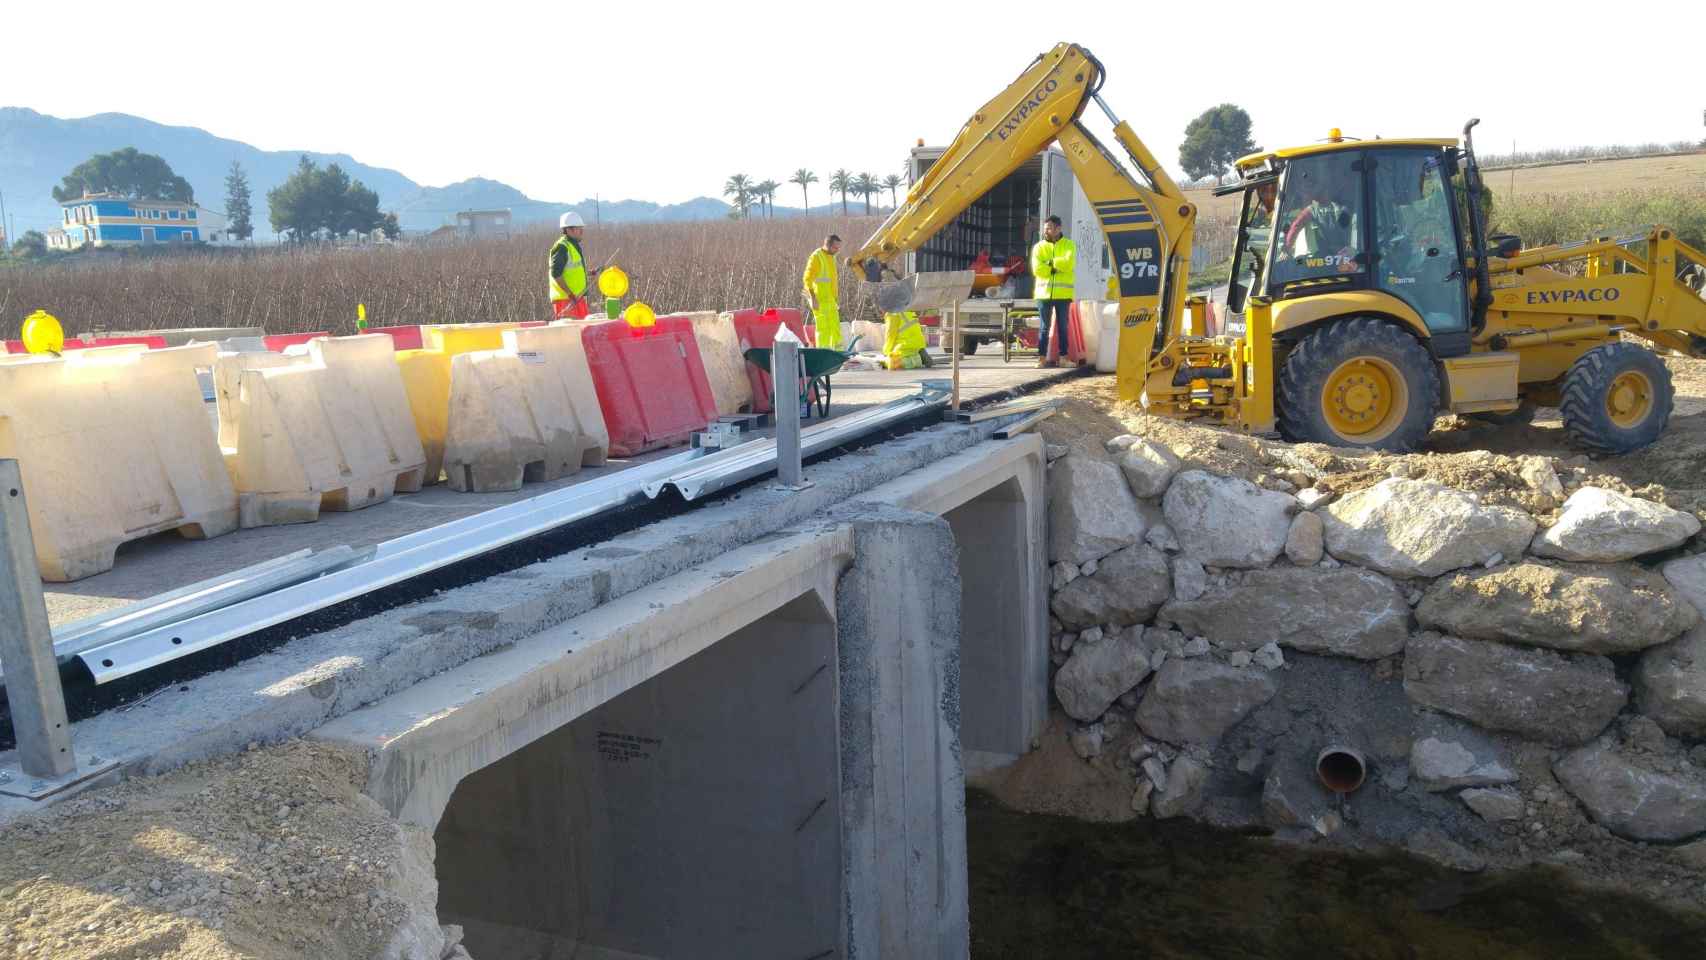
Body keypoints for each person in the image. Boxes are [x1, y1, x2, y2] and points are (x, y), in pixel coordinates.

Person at [1030, 215, 1076, 368]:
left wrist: (1049, 263)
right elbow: (1037, 269)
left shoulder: (1069, 245)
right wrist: (1057, 266)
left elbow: (1068, 263)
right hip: (1043, 294)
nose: (1046, 231)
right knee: (1044, 327)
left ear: (1058, 228)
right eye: (1045, 228)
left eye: (1049, 228)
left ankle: (1064, 358)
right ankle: (1041, 359)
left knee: (1063, 327)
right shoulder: (1039, 247)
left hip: (1063, 295)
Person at [549, 212, 597, 319]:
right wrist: (570, 294)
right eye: (578, 228)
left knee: (582, 332)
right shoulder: (562, 247)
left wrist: (591, 273)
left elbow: (572, 271)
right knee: (570, 334)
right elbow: (556, 274)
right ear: (569, 230)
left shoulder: (572, 246)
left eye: (582, 228)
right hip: (566, 301)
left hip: (577, 299)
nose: (582, 231)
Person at [803, 235, 843, 349]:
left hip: (830, 300)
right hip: (819, 301)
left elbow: (831, 281)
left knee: (835, 328)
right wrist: (813, 299)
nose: (837, 250)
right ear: (828, 245)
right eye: (835, 248)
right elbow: (807, 279)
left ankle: (838, 354)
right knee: (823, 331)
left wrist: (835, 299)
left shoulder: (831, 257)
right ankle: (824, 354)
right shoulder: (816, 257)